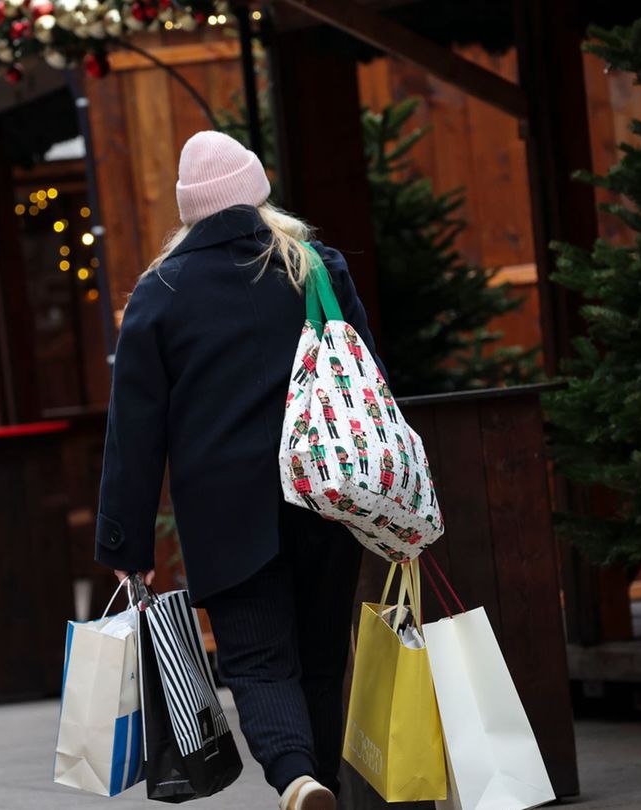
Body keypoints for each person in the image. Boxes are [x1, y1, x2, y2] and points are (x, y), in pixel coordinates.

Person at [96, 131, 389, 810]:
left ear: (189, 209)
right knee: (321, 657)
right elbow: (366, 378)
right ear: (256, 189)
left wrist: (126, 544)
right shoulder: (316, 267)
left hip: (227, 512)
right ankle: (319, 782)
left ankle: (297, 780)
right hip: (326, 493)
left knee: (257, 660)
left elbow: (133, 431)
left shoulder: (161, 291)